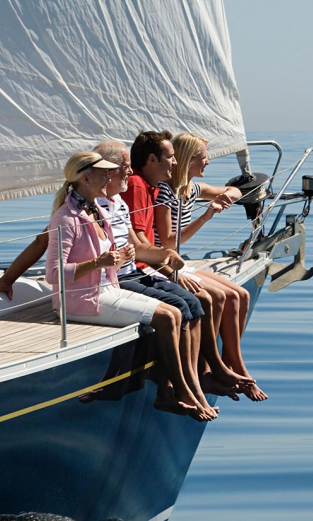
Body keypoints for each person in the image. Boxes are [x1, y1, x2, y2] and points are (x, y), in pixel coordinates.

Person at [43, 151, 211, 420]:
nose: (109, 177)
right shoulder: (66, 217)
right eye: (104, 173)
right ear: (86, 178)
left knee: (175, 312)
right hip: (82, 300)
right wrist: (99, 263)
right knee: (167, 316)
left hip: (107, 290)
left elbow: (116, 257)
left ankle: (173, 389)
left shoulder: (96, 210)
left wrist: (132, 257)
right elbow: (53, 274)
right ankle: (180, 391)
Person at [124, 131, 258, 401]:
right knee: (215, 297)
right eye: (203, 158)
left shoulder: (188, 189)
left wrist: (231, 193)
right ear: (186, 160)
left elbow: (228, 190)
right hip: (164, 261)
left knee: (239, 294)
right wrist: (207, 215)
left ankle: (231, 366)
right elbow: (169, 242)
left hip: (168, 260)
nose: (208, 162)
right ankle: (210, 370)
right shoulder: (161, 191)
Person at [92, 140, 221, 417]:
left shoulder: (117, 203)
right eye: (125, 167)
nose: (131, 171)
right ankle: (179, 388)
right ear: (106, 172)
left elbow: (139, 247)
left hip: (133, 272)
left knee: (192, 305)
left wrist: (167, 258)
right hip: (114, 283)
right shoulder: (89, 207)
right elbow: (55, 250)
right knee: (178, 311)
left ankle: (191, 382)